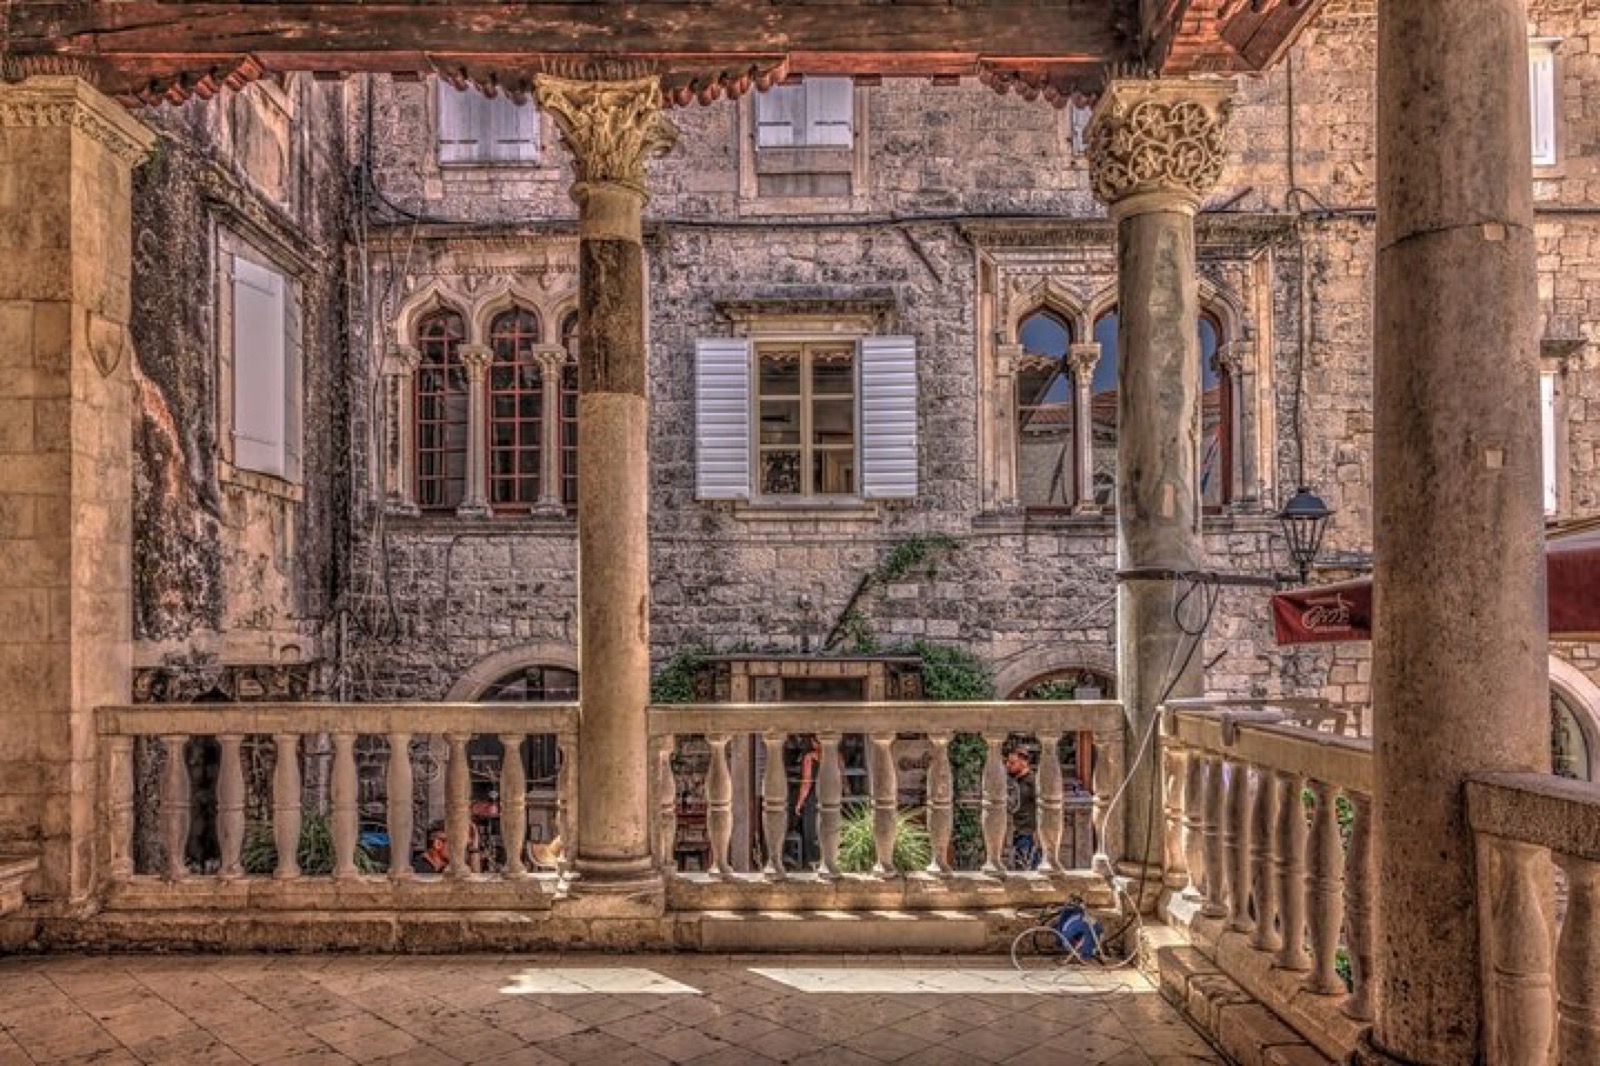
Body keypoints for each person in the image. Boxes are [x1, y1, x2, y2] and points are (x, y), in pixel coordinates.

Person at [1005, 746, 1040, 869]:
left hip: (1029, 833)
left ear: (1024, 763)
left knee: (1026, 868)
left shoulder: (1032, 781)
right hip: (1018, 831)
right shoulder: (1016, 780)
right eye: (1007, 762)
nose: (1008, 765)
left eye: (1012, 763)